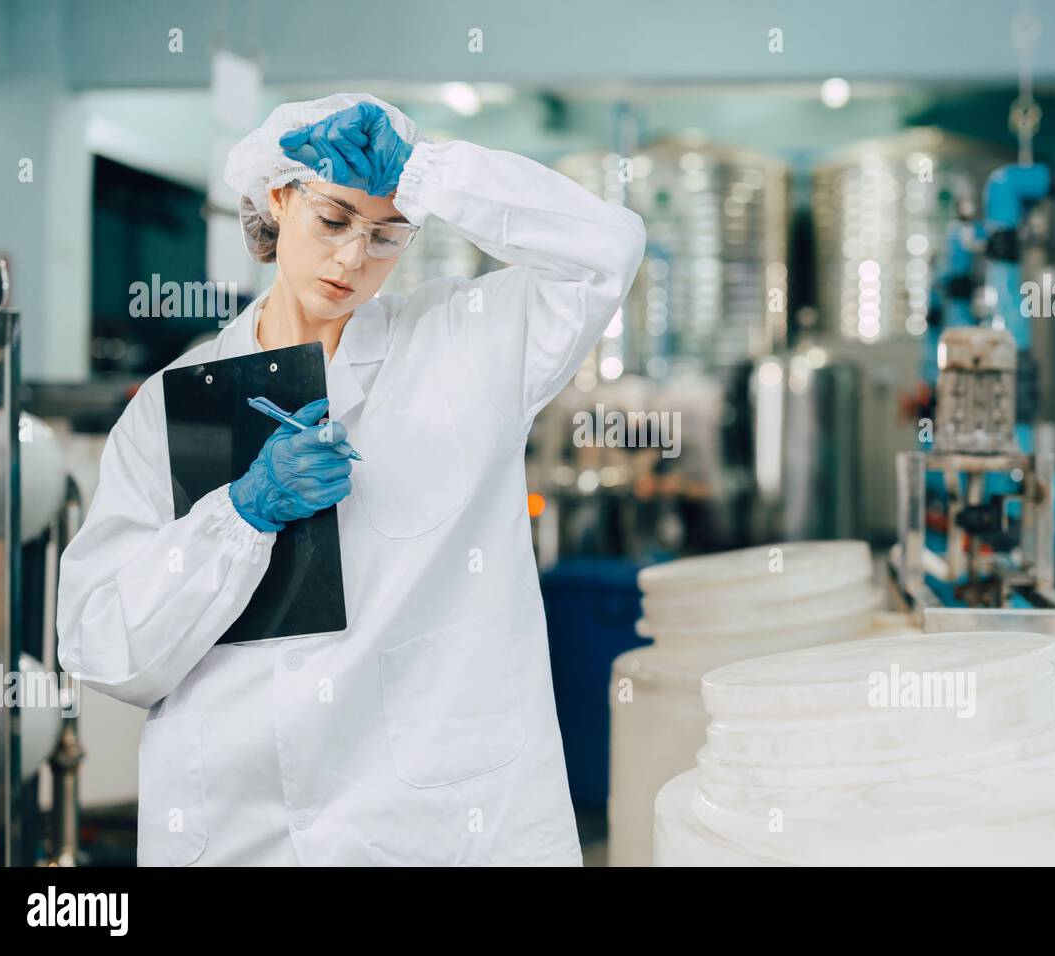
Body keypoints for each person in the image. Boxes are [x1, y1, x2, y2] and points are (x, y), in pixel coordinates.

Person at [57, 93, 647, 866]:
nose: (351, 261)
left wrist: (429, 170)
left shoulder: (465, 346)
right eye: (332, 220)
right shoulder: (173, 406)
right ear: (277, 196)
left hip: (428, 829)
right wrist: (238, 516)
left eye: (386, 235)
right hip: (240, 829)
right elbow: (104, 650)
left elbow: (608, 248)